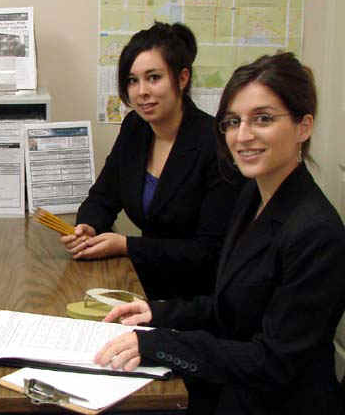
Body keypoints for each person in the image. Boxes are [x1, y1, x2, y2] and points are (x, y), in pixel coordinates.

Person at [94, 52, 345, 415]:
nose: (242, 136)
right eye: (233, 121)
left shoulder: (316, 234)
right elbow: (231, 307)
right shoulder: (252, 195)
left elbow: (273, 363)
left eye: (263, 119)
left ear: (303, 126)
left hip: (276, 410)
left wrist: (162, 344)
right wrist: (158, 313)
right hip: (234, 385)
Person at [62, 22, 243, 300]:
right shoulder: (135, 127)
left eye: (154, 78)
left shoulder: (215, 143)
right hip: (143, 281)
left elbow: (209, 251)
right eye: (132, 80)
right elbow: (103, 197)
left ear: (182, 78)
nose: (141, 91)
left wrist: (127, 246)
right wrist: (88, 227)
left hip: (196, 297)